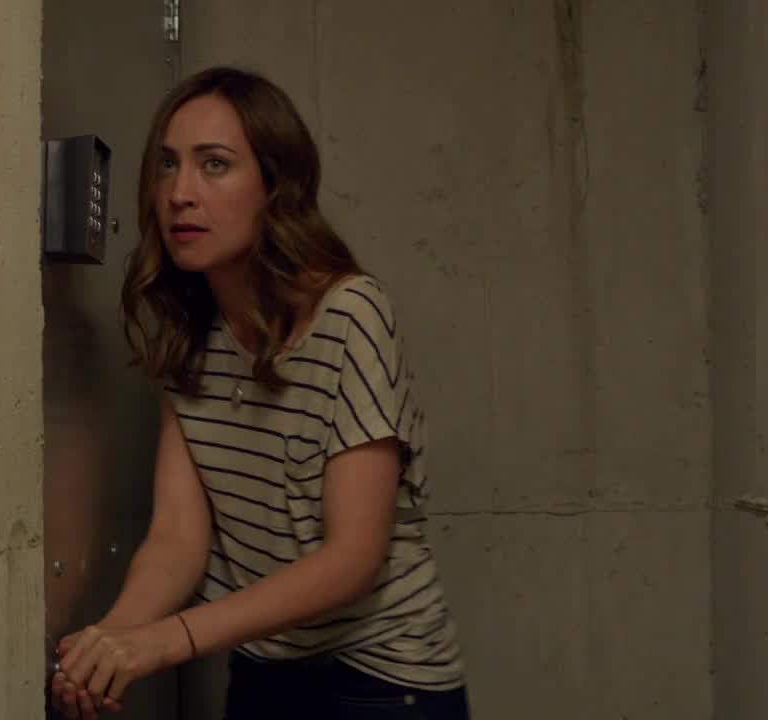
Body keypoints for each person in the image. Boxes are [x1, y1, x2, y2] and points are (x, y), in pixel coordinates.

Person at [49, 66, 470, 720]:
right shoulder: (190, 335)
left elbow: (354, 559)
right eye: (168, 165)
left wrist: (165, 641)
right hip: (263, 672)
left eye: (214, 165)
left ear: (276, 188)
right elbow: (177, 538)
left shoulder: (349, 313)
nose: (180, 194)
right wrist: (112, 641)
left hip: (383, 683)